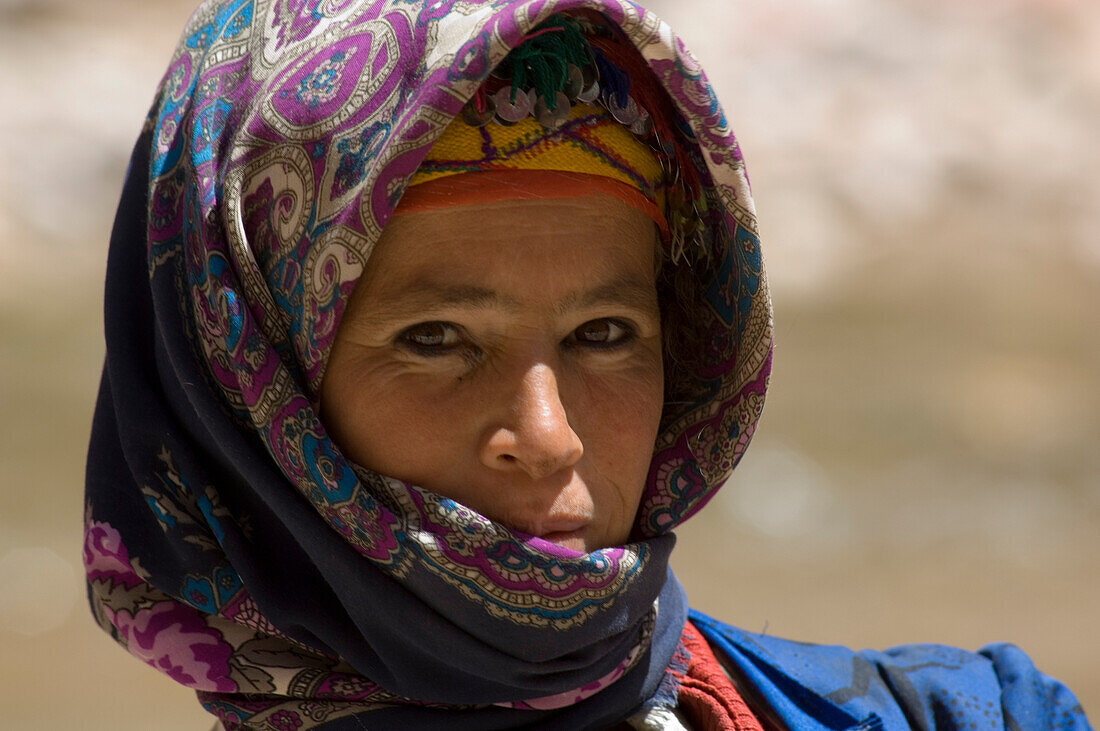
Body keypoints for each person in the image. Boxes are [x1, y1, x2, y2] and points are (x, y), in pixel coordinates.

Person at [83, 1, 1092, 729]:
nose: (548, 434)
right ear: (245, 394)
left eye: (602, 334)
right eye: (434, 339)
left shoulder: (962, 715)